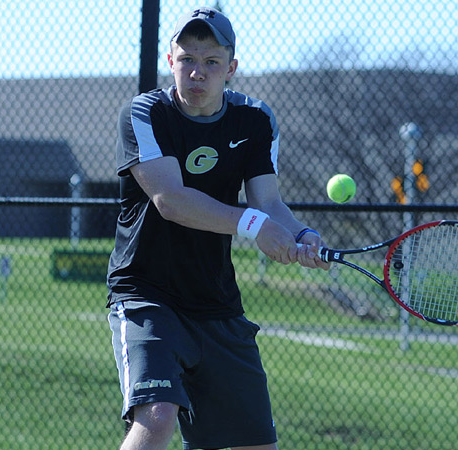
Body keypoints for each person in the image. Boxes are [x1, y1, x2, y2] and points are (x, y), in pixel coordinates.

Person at [106, 6, 329, 450]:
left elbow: (269, 203)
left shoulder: (256, 120)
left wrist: (301, 236)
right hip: (147, 295)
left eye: (211, 62)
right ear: (170, 62)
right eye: (187, 59)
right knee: (158, 415)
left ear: (231, 68)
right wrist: (254, 225)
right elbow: (170, 200)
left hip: (217, 304)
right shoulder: (145, 114)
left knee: (255, 444)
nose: (197, 72)